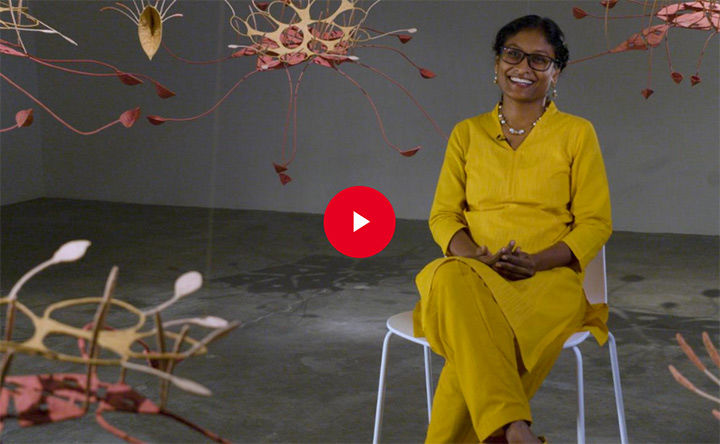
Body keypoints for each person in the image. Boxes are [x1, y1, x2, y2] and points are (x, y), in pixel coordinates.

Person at [412, 15, 612, 443]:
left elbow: (595, 222)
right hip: (474, 276)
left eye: (540, 60)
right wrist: (473, 256)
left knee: (471, 339)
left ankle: (503, 429)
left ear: (556, 71)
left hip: (548, 281)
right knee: (449, 275)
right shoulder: (467, 134)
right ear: (498, 61)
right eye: (513, 54)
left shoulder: (576, 134)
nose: (524, 67)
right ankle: (513, 427)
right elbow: (443, 216)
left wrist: (536, 261)